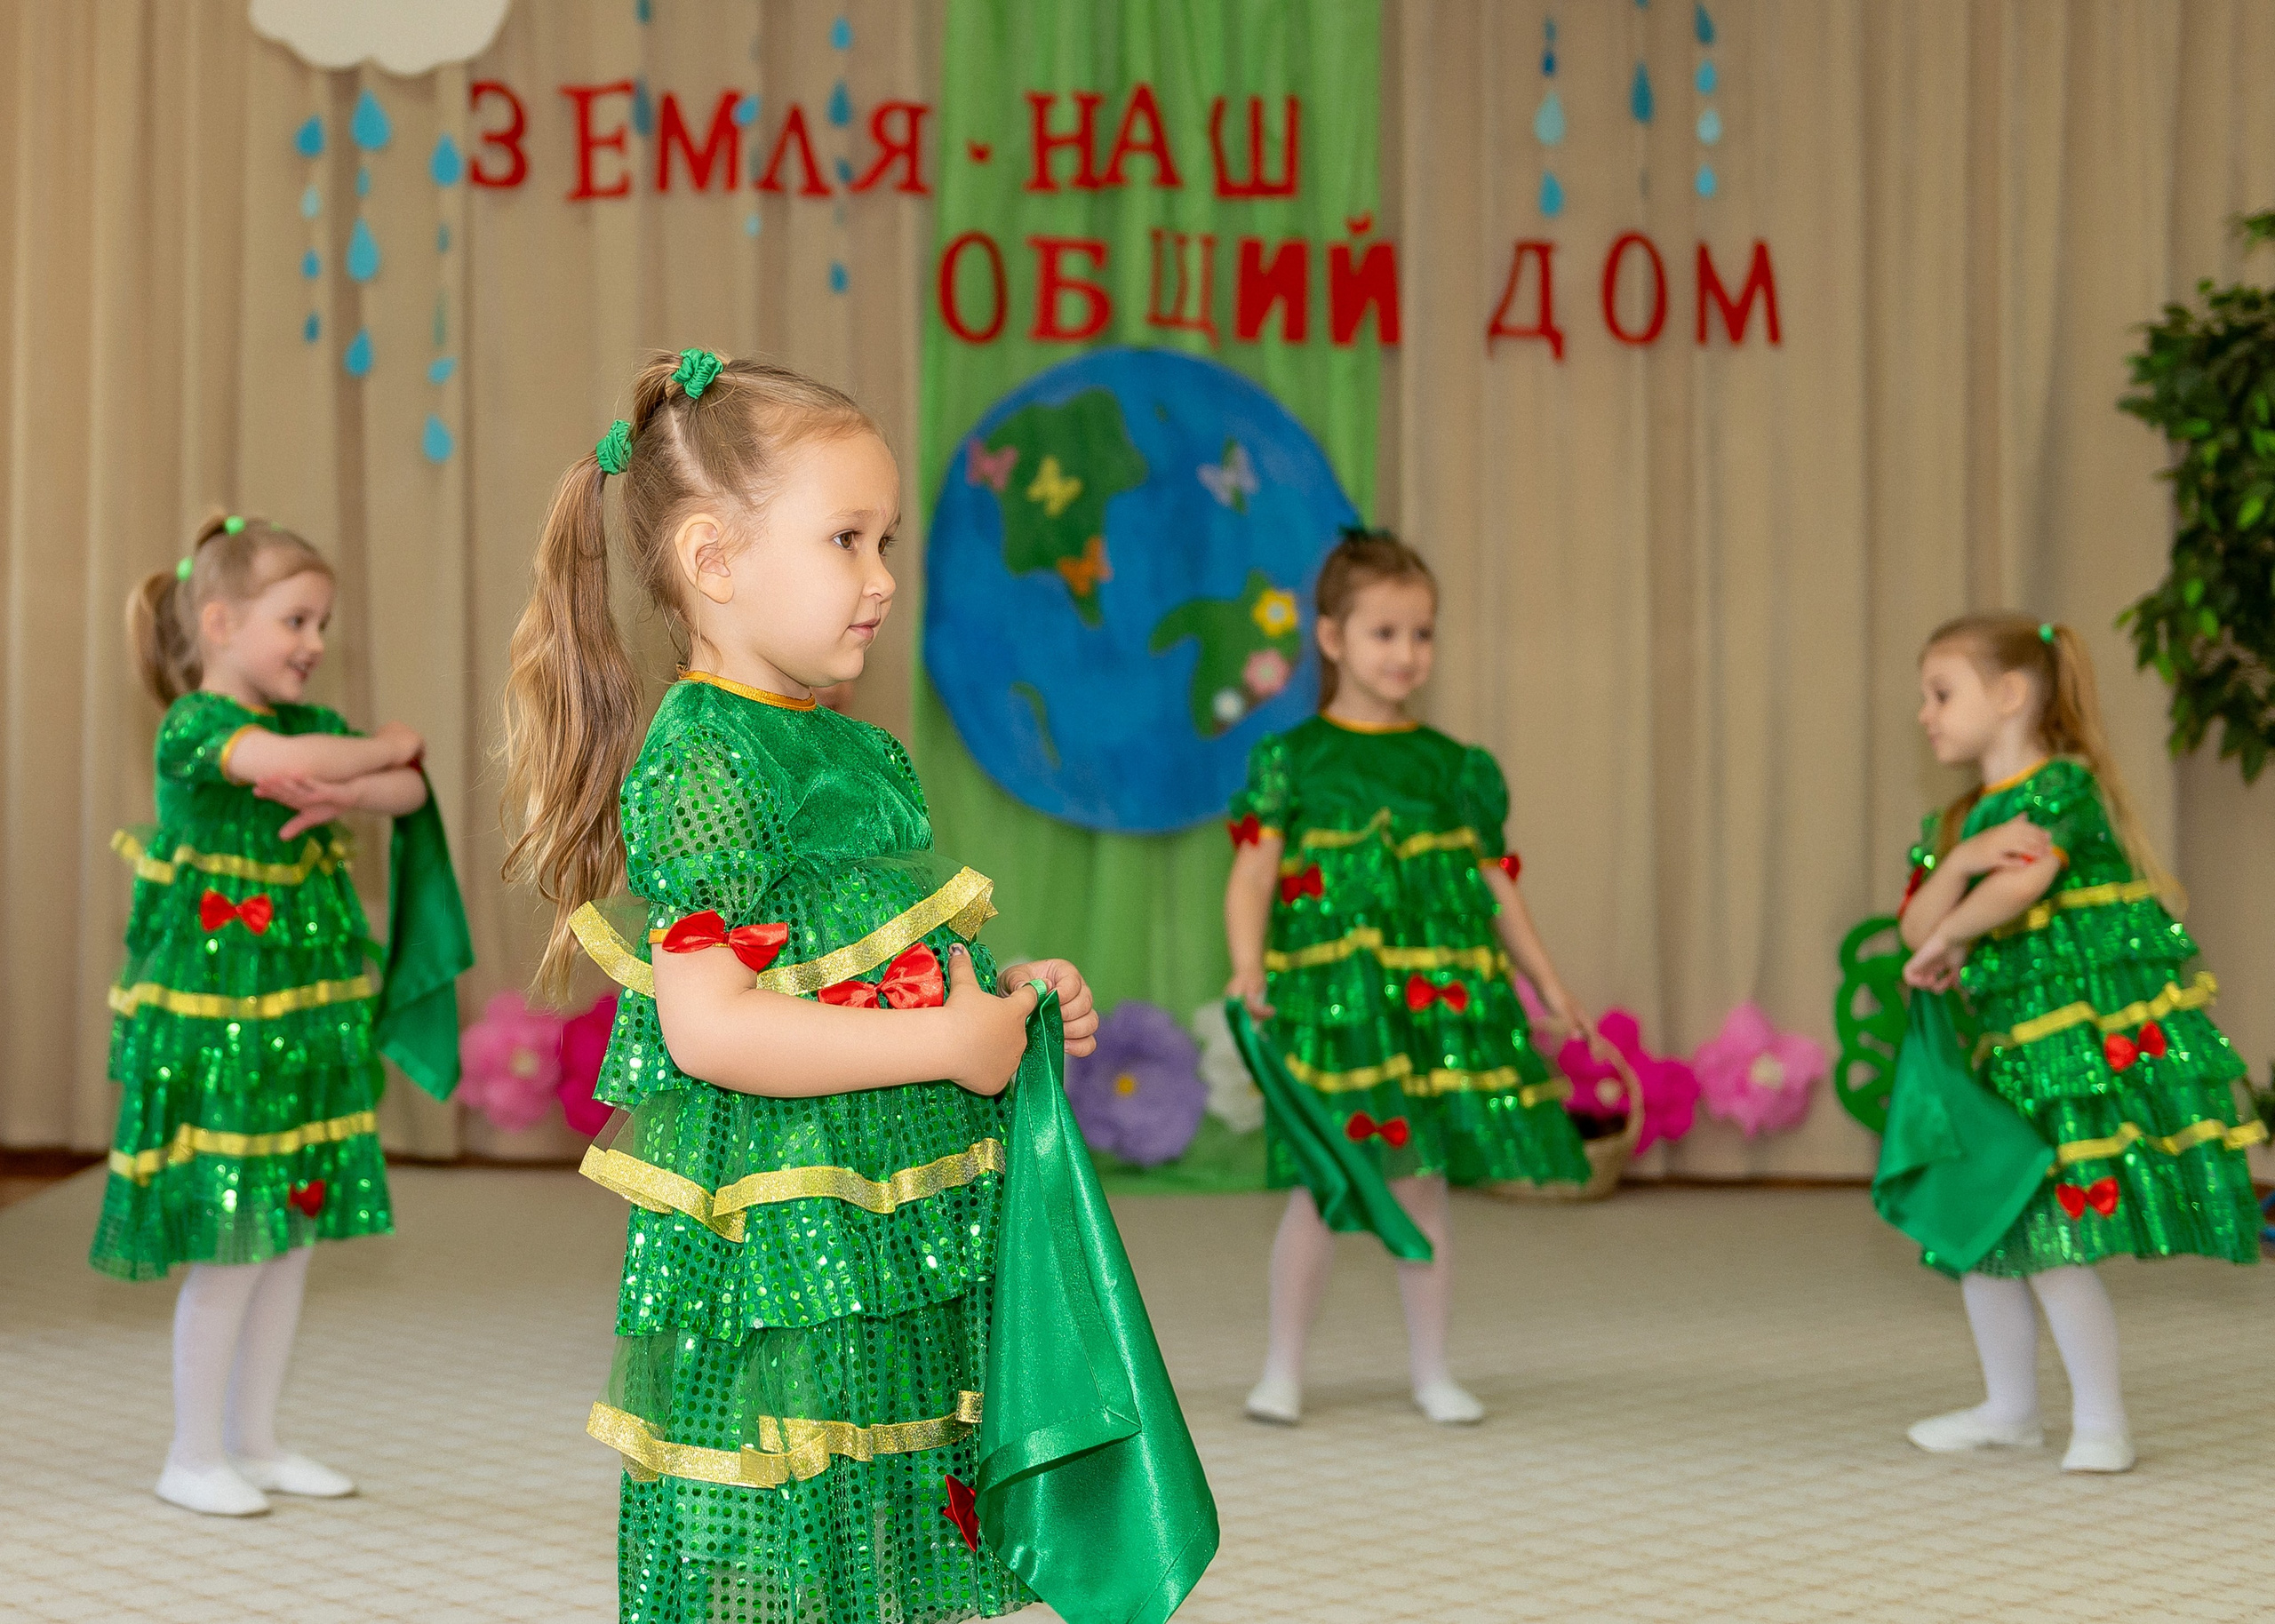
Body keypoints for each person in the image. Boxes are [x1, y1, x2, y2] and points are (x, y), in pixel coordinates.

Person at [502, 350, 1105, 1622]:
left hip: (883, 1208)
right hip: (787, 1234)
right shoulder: (705, 758)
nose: (883, 581)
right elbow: (715, 1030)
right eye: (846, 538)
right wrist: (951, 1041)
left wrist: (1007, 992)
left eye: (888, 540)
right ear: (715, 563)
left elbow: (879, 959)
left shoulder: (861, 752)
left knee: (888, 1496)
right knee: (786, 1527)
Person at [100, 513, 439, 1516]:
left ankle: (255, 1439)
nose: (315, 644)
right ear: (218, 621)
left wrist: (366, 773)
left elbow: (411, 790)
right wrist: (378, 749)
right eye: (296, 620)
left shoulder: (312, 729)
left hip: (298, 1025)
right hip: (218, 1026)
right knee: (229, 1237)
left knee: (290, 1236)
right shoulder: (194, 725)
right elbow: (271, 765)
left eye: (323, 623)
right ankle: (191, 1452)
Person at [1223, 528, 1596, 1427]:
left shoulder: (1449, 768)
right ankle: (1282, 1368)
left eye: (1421, 633)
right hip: (1335, 1007)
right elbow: (1254, 874)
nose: (1406, 653)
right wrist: (1245, 966)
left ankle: (1432, 1368)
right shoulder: (1294, 760)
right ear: (1332, 637)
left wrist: (1544, 979)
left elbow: (1495, 883)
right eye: (1384, 632)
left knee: (1421, 1181)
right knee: (1328, 1180)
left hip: (1431, 1007)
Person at [1896, 613, 2263, 1473]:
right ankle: (2009, 1407)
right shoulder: (1958, 821)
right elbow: (1913, 919)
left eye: (1940, 693)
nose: (1924, 712)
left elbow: (2025, 881)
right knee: (1987, 1230)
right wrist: (1957, 867)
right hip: (2007, 1051)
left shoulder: (2060, 785)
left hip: (2075, 1053)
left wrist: (1950, 936)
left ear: (2012, 694)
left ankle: (2102, 1420)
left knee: (2057, 1236)